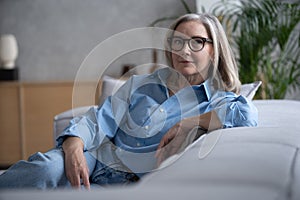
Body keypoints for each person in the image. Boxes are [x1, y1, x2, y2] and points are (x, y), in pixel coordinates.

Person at [0, 13, 258, 190]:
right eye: (177, 41)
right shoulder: (143, 84)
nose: (184, 50)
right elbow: (100, 119)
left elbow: (246, 117)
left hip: (136, 182)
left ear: (213, 49)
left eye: (196, 42)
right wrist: (74, 146)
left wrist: (191, 122)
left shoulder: (217, 100)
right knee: (46, 169)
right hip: (97, 161)